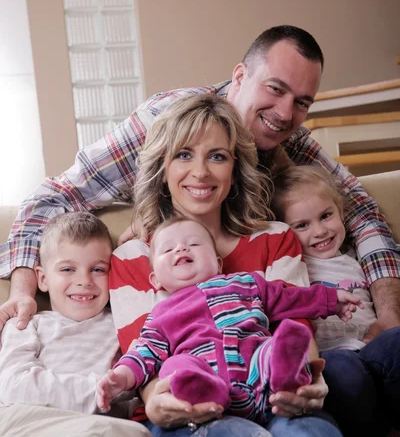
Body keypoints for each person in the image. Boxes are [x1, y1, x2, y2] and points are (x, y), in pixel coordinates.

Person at [109, 93, 400, 437]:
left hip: (270, 391)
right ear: (162, 167)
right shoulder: (133, 258)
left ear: (236, 168)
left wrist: (309, 376)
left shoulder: (274, 239)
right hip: (188, 412)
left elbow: (296, 328)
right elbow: (145, 351)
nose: (201, 172)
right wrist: (158, 399)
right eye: (184, 154)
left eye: (218, 156)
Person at [1, 25, 399, 346]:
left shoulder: (289, 142)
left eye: (302, 102)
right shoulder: (168, 122)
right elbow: (51, 198)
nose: (284, 113)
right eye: (275, 89)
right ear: (240, 76)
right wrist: (22, 291)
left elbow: (362, 209)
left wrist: (389, 317)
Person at [0, 212, 181, 437]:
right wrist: (100, 392)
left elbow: (139, 382)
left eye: (98, 269)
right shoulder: (29, 322)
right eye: (67, 269)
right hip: (31, 429)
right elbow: (16, 388)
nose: (84, 281)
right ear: (41, 278)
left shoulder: (123, 323)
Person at [98, 216, 362, 422]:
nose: (181, 248)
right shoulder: (161, 315)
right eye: (168, 249)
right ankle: (197, 387)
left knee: (274, 346)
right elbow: (144, 352)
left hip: (259, 375)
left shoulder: (246, 284)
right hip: (209, 386)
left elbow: (290, 297)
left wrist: (331, 300)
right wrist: (121, 376)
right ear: (156, 280)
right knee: (175, 366)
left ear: (218, 263)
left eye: (194, 244)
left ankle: (285, 371)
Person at [272, 164, 400, 437]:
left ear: (340, 210)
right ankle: (365, 433)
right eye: (301, 225)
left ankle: (393, 424)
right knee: (342, 373)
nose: (319, 231)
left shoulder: (358, 258)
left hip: (372, 347)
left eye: (326, 215)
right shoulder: (296, 266)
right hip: (334, 355)